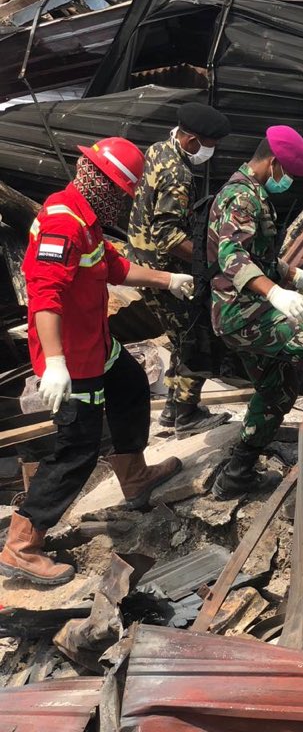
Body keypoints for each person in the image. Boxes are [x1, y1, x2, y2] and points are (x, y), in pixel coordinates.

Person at [0, 138, 194, 586]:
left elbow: (113, 268)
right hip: (72, 359)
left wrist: (168, 279)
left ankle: (134, 476)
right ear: (103, 185)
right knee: (77, 449)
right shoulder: (62, 225)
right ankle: (22, 544)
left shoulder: (84, 219)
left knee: (130, 385)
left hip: (97, 344)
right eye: (122, 194)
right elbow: (44, 299)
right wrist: (54, 364)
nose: (123, 204)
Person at [207, 126, 303, 500]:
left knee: (278, 388)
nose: (287, 181)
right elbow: (232, 257)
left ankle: (237, 474)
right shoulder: (241, 198)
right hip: (244, 314)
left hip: (246, 312)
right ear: (273, 163)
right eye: (287, 173)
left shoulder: (250, 193)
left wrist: (293, 275)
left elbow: (260, 256)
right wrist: (275, 294)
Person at [127, 103, 232, 438]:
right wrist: (211, 266)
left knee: (179, 335)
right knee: (195, 338)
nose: (211, 152)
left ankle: (173, 410)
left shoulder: (158, 149)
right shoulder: (178, 175)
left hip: (142, 260)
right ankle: (186, 414)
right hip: (166, 271)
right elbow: (169, 236)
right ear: (191, 141)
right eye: (210, 144)